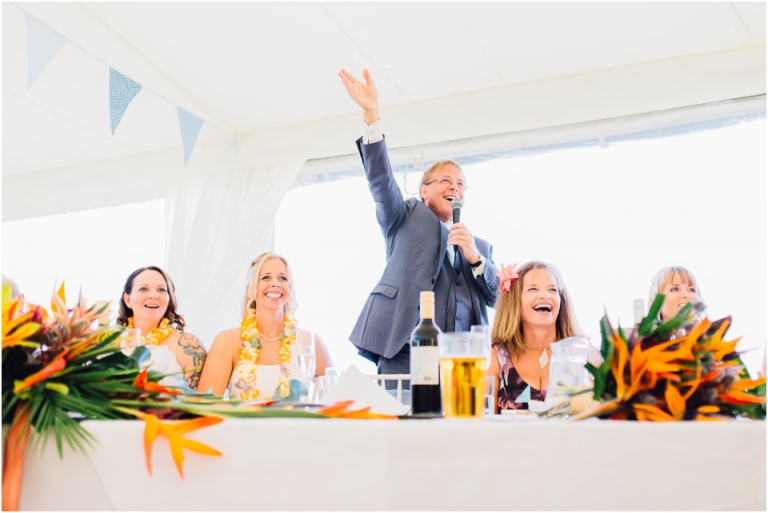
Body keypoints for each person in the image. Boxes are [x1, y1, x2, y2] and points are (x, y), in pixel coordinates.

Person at [339, 68, 500, 378]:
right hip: (404, 352)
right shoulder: (406, 215)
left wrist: (475, 259)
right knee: (398, 425)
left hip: (461, 363)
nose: (455, 187)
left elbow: (498, 298)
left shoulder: (480, 247)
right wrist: (372, 116)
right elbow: (382, 184)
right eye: (445, 180)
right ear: (424, 190)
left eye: (461, 183)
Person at [197, 252, 333, 399]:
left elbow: (336, 399)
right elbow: (205, 406)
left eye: (283, 278)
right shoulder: (226, 341)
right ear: (252, 288)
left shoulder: (309, 342)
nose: (275, 283)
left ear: (290, 288)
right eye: (266, 277)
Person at [487, 261, 583, 411]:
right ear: (514, 302)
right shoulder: (495, 357)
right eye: (533, 289)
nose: (545, 295)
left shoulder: (581, 354)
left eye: (552, 290)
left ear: (561, 301)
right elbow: (481, 424)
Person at [117, 266, 207, 390]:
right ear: (127, 300)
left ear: (169, 300)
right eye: (143, 289)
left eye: (161, 290)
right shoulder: (106, 341)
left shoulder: (189, 345)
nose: (154, 295)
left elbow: (197, 403)